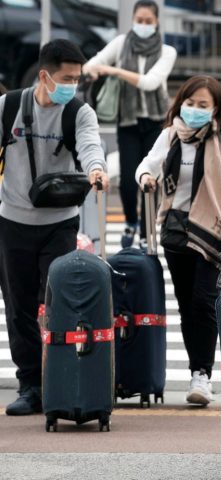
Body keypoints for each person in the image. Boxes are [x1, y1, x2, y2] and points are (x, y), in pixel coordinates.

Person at [136, 75, 221, 405]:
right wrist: (147, 176)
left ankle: (203, 375)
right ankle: (198, 371)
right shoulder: (170, 135)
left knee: (204, 302)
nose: (194, 110)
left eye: (203, 105)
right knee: (186, 304)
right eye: (190, 103)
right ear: (180, 104)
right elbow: (145, 166)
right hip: (176, 233)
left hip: (215, 233)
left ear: (216, 108)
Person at [0, 40, 109, 416]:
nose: (72, 86)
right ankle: (30, 384)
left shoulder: (78, 112)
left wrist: (96, 169)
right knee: (18, 308)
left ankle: (60, 381)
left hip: (60, 222)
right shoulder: (9, 107)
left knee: (59, 305)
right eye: (66, 78)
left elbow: (90, 145)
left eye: (77, 79)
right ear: (44, 76)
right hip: (12, 222)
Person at [83, 0, 176, 248]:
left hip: (156, 122)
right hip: (128, 120)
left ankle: (147, 233)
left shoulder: (167, 51)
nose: (143, 25)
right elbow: (91, 65)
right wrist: (94, 70)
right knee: (126, 181)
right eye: (140, 20)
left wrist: (113, 71)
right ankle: (130, 222)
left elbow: (150, 82)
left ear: (156, 23)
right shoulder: (122, 43)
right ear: (133, 19)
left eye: (148, 21)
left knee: (150, 178)